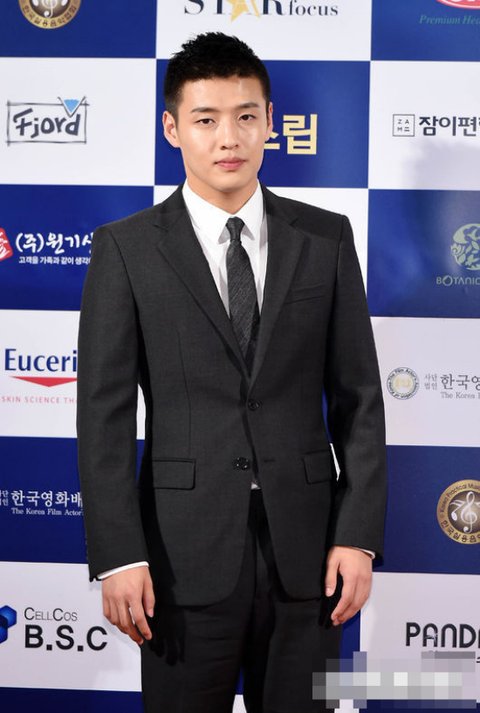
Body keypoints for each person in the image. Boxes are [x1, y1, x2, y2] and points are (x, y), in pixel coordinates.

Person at [77, 32, 387, 713]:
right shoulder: (126, 249)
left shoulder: (326, 237)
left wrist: (358, 536)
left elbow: (361, 398)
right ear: (172, 129)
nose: (229, 138)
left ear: (270, 122)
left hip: (309, 556)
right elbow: (102, 416)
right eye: (206, 118)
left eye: (246, 116)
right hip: (178, 556)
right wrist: (120, 555)